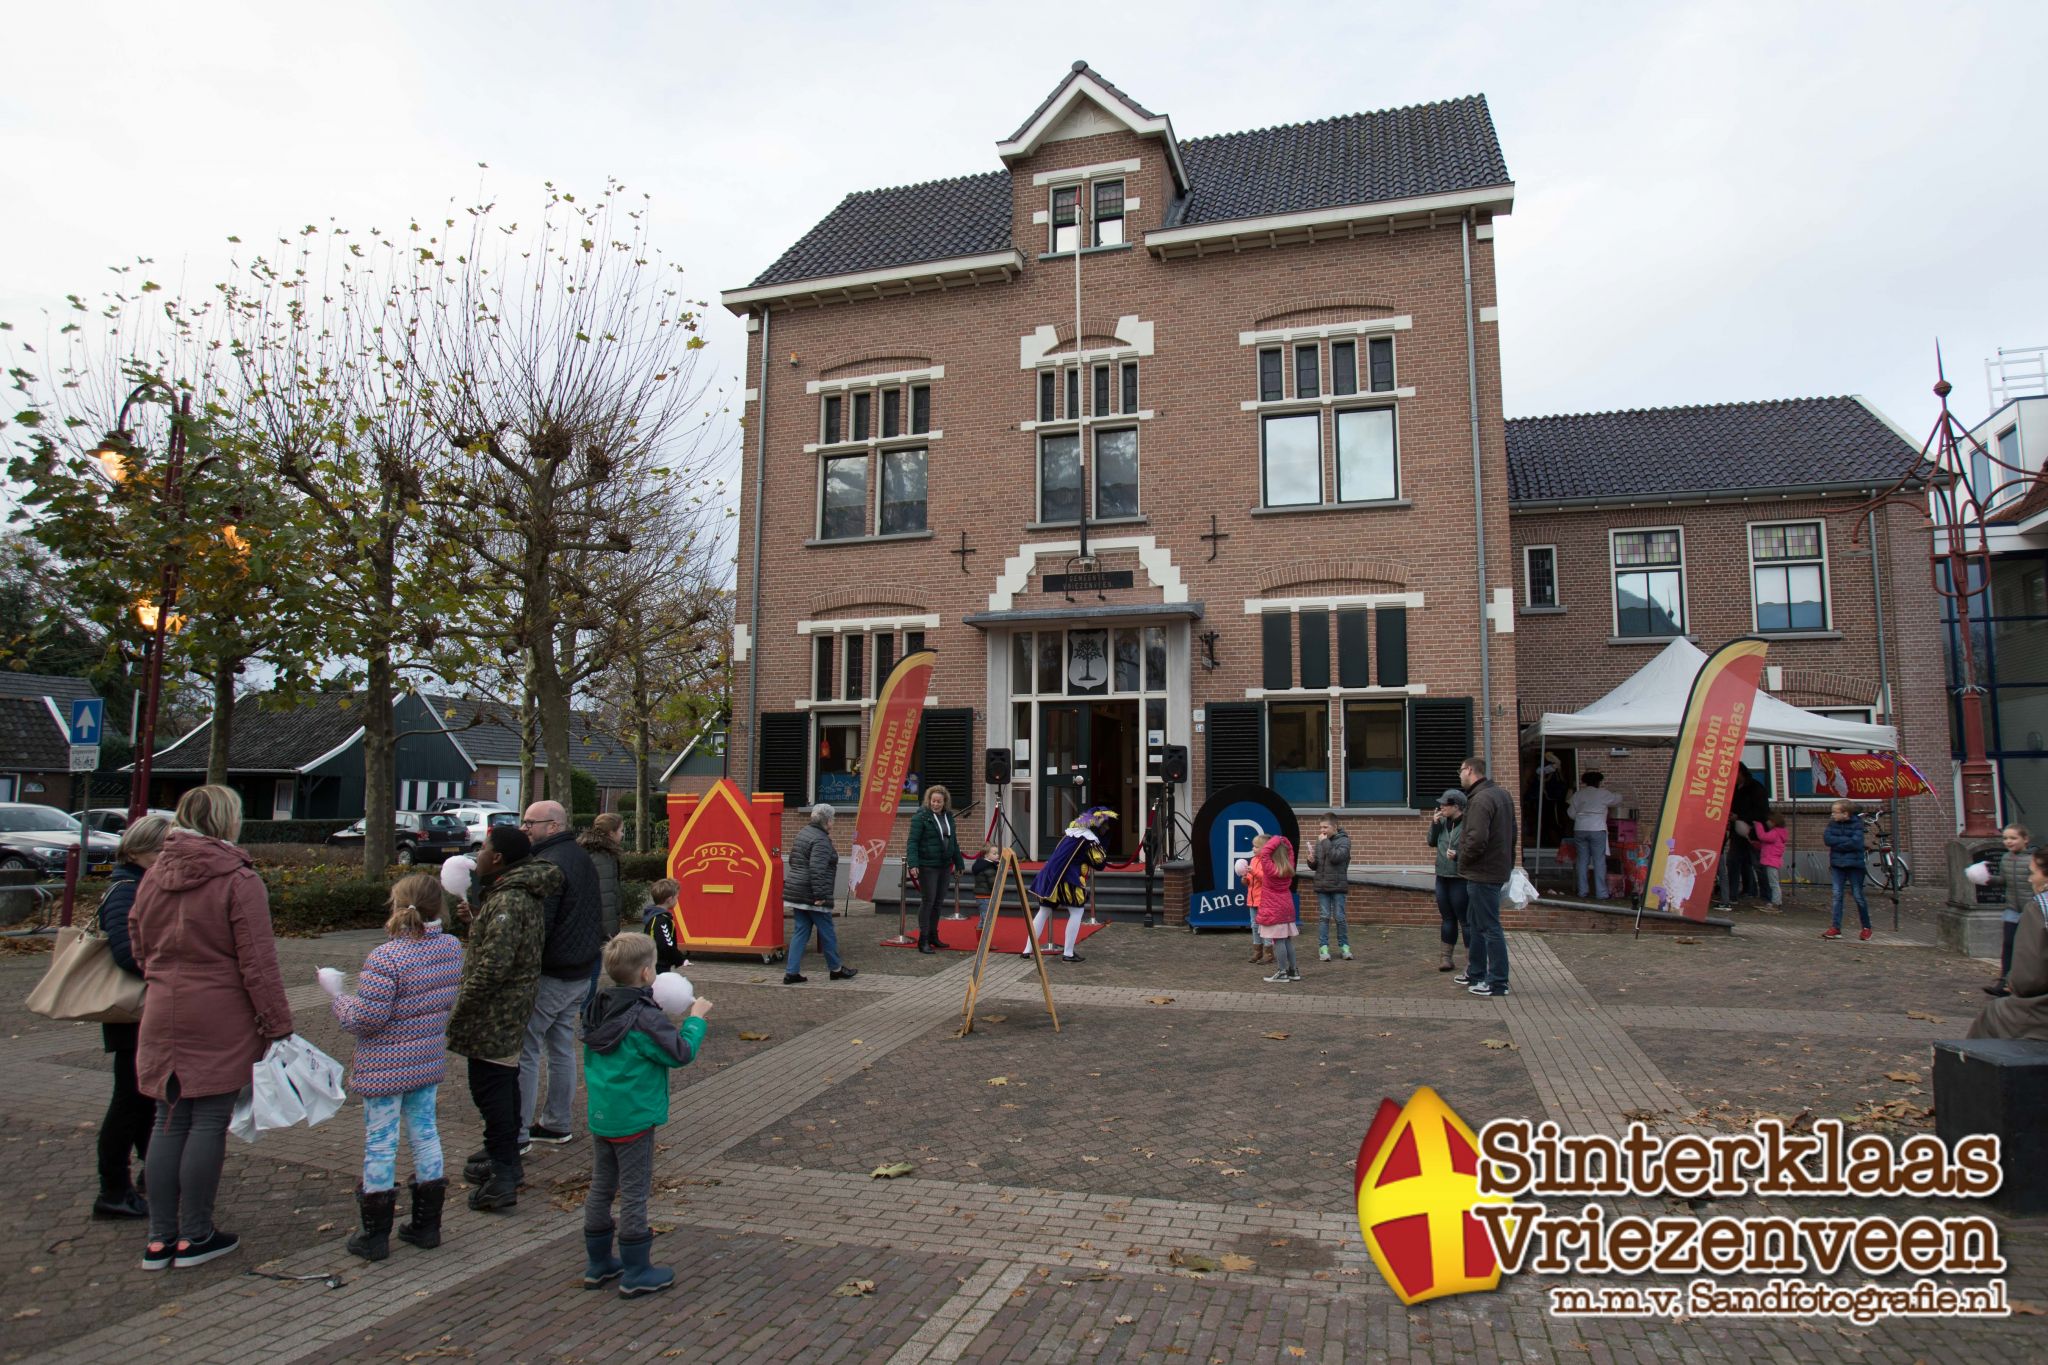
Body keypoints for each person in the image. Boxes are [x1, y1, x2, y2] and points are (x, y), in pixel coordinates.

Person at [128, 785, 294, 1271]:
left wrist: (162, 978)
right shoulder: (238, 878)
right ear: (227, 820)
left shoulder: (153, 875)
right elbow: (258, 962)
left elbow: (139, 943)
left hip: (163, 1007)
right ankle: (195, 1233)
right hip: (220, 1009)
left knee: (167, 1118)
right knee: (208, 1121)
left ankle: (160, 1238)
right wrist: (277, 1025)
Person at [322, 871, 464, 1260]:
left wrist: (336, 996)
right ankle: (427, 1226)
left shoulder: (386, 957)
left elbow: (366, 1019)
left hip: (384, 1066)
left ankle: (374, 1235)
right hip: (426, 1060)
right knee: (425, 1133)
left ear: (396, 906)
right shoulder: (451, 948)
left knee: (381, 1144)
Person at [580, 933, 713, 1297]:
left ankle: (598, 1263)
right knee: (635, 1193)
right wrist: (695, 1020)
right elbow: (680, 1053)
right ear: (645, 973)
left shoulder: (597, 1006)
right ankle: (637, 1269)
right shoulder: (644, 1017)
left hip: (603, 1113)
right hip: (635, 1117)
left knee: (602, 1187)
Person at [449, 824, 559, 1211]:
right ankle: (505, 1164)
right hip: (508, 1007)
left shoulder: (510, 900)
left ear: (497, 859)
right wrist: (477, 921)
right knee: (500, 1086)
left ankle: (504, 1172)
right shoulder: (509, 897)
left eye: (482, 849)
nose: (475, 855)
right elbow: (505, 943)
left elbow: (495, 965)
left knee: (492, 1091)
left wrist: (462, 1008)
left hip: (496, 1013)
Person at [92, 812, 172, 1222]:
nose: (166, 859)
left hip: (145, 1010)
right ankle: (113, 1188)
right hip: (131, 1013)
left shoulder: (141, 884)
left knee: (145, 1098)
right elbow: (126, 953)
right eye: (162, 851)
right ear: (140, 850)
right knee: (128, 1100)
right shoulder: (126, 889)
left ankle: (147, 1174)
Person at [519, 800, 603, 1148]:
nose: (524, 827)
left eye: (530, 822)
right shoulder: (581, 857)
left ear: (552, 826)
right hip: (581, 968)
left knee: (527, 1049)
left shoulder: (548, 864)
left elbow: (542, 923)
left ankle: (518, 1131)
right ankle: (556, 1122)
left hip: (552, 971)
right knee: (561, 1047)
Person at [1969, 846, 2048, 1040]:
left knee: (1996, 1014)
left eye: (2032, 873)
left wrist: (2013, 983)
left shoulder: (2040, 908)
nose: (2030, 879)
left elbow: (2029, 977)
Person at [1457, 757, 1517, 998]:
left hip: (1482, 871)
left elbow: (1476, 838)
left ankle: (1497, 982)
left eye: (1460, 770)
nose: (1459, 775)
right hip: (1495, 868)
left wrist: (1463, 860)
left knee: (1489, 927)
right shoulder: (1501, 794)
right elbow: (1512, 833)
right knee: (1477, 923)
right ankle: (1477, 972)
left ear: (1470, 770)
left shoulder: (1481, 799)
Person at [1025, 808, 1113, 963]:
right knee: (1077, 912)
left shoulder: (1070, 835)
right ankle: (1068, 953)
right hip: (1069, 879)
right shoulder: (1088, 839)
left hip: (1050, 877)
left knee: (1043, 912)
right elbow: (1099, 863)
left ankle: (1027, 950)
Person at [783, 803, 857, 984]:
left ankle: (791, 972)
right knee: (827, 931)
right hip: (812, 893)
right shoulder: (821, 840)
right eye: (833, 819)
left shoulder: (803, 833)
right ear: (827, 821)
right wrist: (820, 895)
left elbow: (793, 860)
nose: (834, 822)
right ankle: (836, 969)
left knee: (800, 930)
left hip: (797, 891)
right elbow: (817, 869)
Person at [906, 785, 967, 954]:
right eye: (933, 801)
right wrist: (913, 864)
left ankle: (933, 935)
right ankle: (923, 939)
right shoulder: (921, 817)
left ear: (944, 802)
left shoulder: (948, 817)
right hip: (927, 865)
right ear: (929, 801)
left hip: (944, 865)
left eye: (939, 801)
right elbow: (912, 842)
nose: (936, 804)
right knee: (928, 901)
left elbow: (953, 841)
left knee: (939, 902)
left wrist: (959, 863)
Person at [1986, 824, 2032, 996]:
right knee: (2008, 944)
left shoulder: (2032, 859)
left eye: (2013, 838)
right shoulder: (2006, 858)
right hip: (2012, 908)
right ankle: (2004, 981)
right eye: (2005, 838)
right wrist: (1988, 879)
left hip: (2031, 911)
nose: (2008, 842)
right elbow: (2003, 880)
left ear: (2025, 839)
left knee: (2029, 947)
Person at [1427, 791, 1468, 975]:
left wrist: (1458, 856)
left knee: (1465, 920)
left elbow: (1474, 848)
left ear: (1456, 806)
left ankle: (1471, 959)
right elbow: (1431, 842)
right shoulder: (1442, 823)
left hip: (1459, 878)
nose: (1441, 807)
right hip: (1442, 876)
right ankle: (1446, 958)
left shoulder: (1467, 825)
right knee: (1447, 918)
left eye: (1445, 804)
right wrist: (1434, 824)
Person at [1565, 772, 1623, 901]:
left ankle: (1582, 891)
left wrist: (1581, 817)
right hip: (1597, 828)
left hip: (1580, 828)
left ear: (1585, 782)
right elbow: (1618, 799)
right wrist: (1617, 791)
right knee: (1599, 861)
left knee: (1582, 860)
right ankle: (1601, 893)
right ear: (1599, 782)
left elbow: (1571, 813)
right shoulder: (1603, 793)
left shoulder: (1578, 794)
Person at [1253, 834, 1301, 983]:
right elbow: (1291, 851)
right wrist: (1283, 839)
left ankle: (1281, 972)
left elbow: (1265, 852)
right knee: (1287, 941)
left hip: (1274, 909)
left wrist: (1275, 839)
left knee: (1278, 941)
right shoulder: (1289, 867)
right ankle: (1293, 970)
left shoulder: (1269, 869)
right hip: (1287, 907)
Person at [1821, 801, 1872, 940]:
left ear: (1845, 813)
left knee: (1858, 895)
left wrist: (1838, 844)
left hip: (1854, 865)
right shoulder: (1832, 824)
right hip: (1837, 864)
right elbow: (1827, 839)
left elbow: (1856, 843)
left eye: (1835, 812)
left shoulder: (1857, 824)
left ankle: (1866, 927)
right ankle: (1836, 927)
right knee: (1837, 895)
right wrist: (1845, 842)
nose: (1832, 814)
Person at [1304, 817, 1352, 962]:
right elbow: (1317, 865)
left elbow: (1336, 858)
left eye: (1325, 827)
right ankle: (1323, 947)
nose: (1322, 831)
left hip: (1338, 885)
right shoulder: (1320, 842)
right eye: (1321, 828)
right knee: (1324, 917)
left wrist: (1324, 842)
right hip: (1322, 885)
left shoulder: (1344, 841)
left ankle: (1344, 946)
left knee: (1339, 917)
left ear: (1334, 827)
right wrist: (1311, 861)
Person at [580, 811, 625, 941]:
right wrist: (610, 933)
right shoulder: (603, 857)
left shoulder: (592, 850)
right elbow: (605, 896)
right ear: (611, 833)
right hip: (601, 932)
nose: (622, 834)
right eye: (621, 830)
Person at [642, 879, 685, 971]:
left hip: (656, 963)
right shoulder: (660, 920)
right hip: (659, 966)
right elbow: (667, 944)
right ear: (670, 899)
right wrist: (680, 959)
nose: (677, 900)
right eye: (677, 897)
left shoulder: (656, 917)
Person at [1242, 837, 1271, 967]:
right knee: (1254, 925)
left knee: (1265, 926)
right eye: (1253, 846)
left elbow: (1265, 879)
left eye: (1256, 847)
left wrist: (1252, 872)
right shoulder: (1253, 860)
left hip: (1263, 899)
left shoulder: (1268, 861)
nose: (1253, 849)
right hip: (1252, 899)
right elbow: (1250, 880)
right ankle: (1257, 951)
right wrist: (1245, 879)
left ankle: (1268, 952)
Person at [1755, 815, 1789, 908]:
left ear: (1774, 822)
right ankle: (1775, 901)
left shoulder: (1775, 833)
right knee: (1773, 882)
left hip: (1771, 861)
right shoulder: (1779, 833)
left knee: (1773, 883)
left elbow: (1762, 836)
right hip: (1773, 861)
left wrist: (1758, 825)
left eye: (1769, 820)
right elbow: (1767, 844)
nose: (1767, 822)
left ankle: (1776, 902)